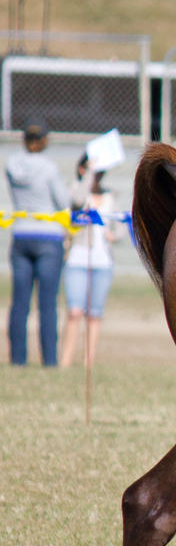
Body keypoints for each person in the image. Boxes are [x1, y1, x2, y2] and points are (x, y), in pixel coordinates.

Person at [5, 118, 70, 367]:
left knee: (19, 302)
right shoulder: (49, 168)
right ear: (43, 140)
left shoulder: (11, 164)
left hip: (21, 235)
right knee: (47, 303)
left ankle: (18, 359)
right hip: (48, 237)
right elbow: (62, 201)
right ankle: (49, 359)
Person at [59, 155, 123, 367]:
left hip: (103, 262)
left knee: (95, 315)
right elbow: (77, 201)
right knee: (74, 312)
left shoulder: (110, 195)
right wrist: (87, 176)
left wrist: (115, 235)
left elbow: (122, 223)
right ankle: (66, 361)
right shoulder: (75, 189)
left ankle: (88, 362)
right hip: (77, 258)